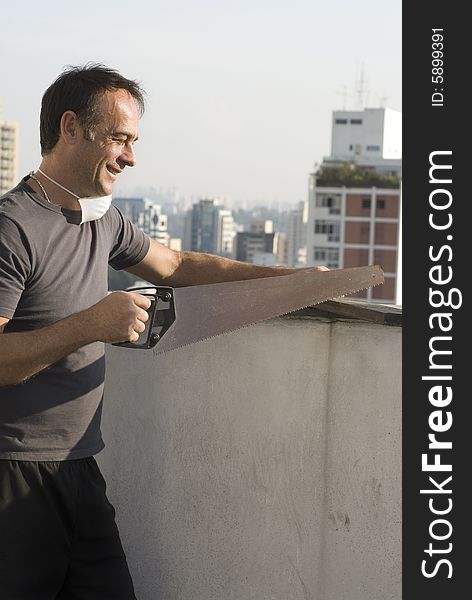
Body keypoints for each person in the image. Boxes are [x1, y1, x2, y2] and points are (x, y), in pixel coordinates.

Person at [0, 63, 326, 599]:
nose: (131, 156)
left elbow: (175, 266)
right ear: (70, 127)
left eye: (133, 141)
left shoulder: (101, 220)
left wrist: (292, 278)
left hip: (80, 467)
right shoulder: (13, 226)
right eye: (120, 139)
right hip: (14, 474)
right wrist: (92, 324)